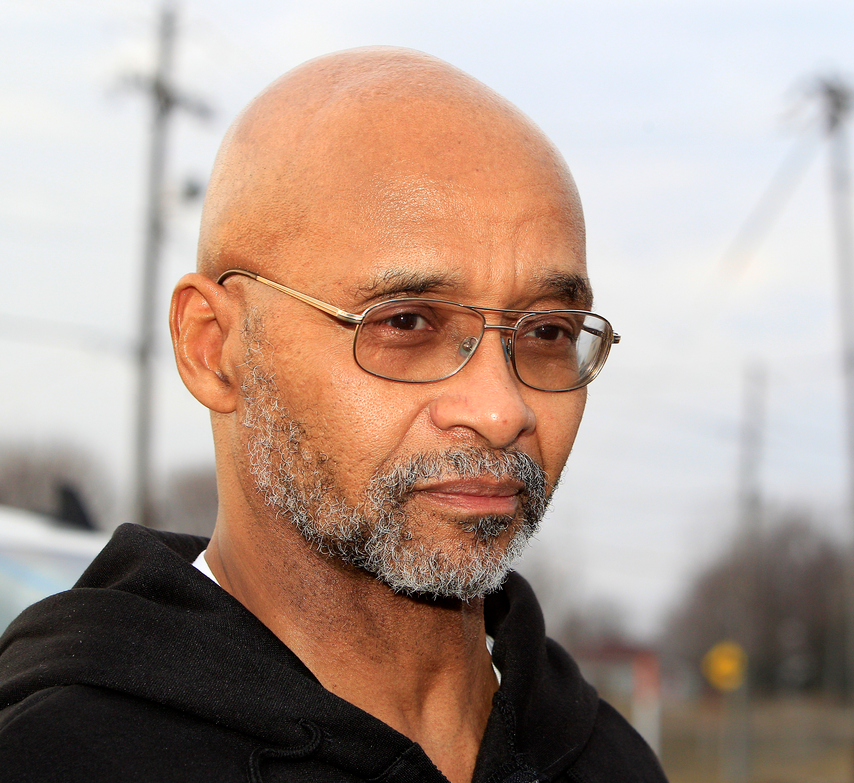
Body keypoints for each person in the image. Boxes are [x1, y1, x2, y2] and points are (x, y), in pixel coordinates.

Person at [0, 47, 666, 783]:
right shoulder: (57, 756)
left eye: (546, 332)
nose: (500, 409)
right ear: (213, 347)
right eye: (407, 321)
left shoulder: (609, 761)